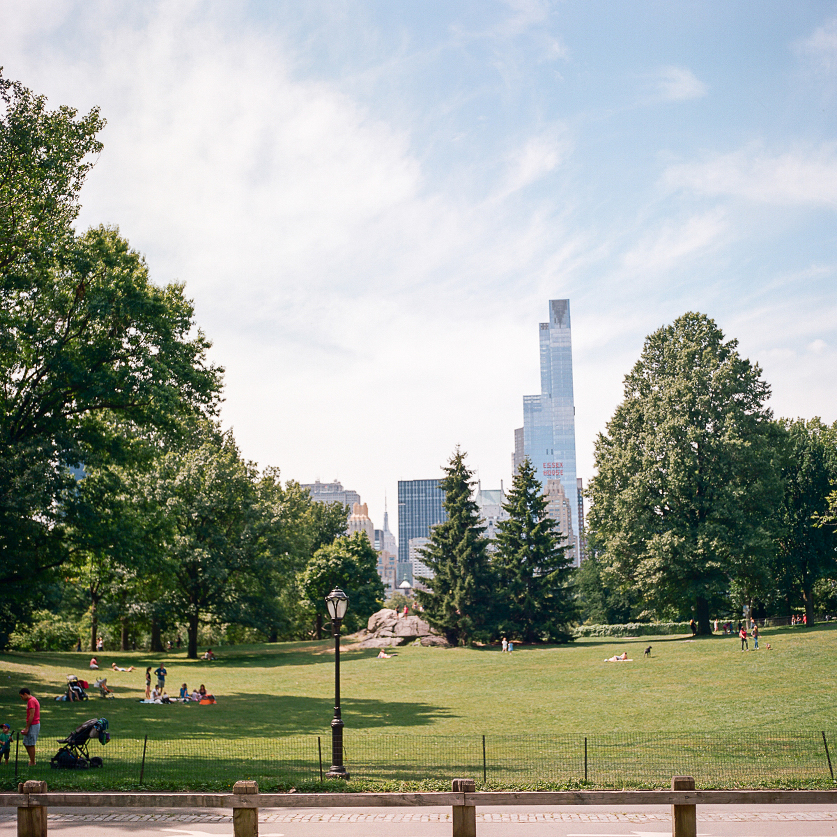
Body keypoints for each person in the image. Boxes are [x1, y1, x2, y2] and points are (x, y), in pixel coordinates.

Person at [19, 688, 40, 766]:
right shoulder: (31, 700)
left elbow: (32, 715)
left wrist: (27, 728)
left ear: (25, 694)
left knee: (31, 744)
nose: (21, 698)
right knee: (26, 743)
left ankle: (32, 762)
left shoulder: (31, 701)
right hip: (31, 724)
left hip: (33, 724)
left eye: (21, 696)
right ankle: (31, 760)